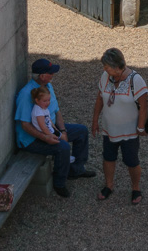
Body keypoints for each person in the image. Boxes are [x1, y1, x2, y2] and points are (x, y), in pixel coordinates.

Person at [14, 58, 95, 198]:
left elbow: (57, 112)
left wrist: (62, 131)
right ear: (42, 76)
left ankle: (76, 170)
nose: (53, 75)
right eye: (50, 73)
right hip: (31, 139)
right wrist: (46, 137)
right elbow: (25, 125)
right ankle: (59, 183)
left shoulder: (47, 87)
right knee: (62, 147)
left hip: (50, 128)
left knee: (82, 131)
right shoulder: (25, 94)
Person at [91, 47, 148, 205]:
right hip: (109, 129)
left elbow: (143, 106)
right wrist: (95, 120)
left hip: (129, 132)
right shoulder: (105, 77)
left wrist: (141, 127)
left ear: (118, 66)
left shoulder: (135, 80)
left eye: (107, 66)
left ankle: (136, 188)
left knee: (132, 161)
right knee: (108, 158)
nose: (104, 69)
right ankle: (109, 185)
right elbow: (100, 99)